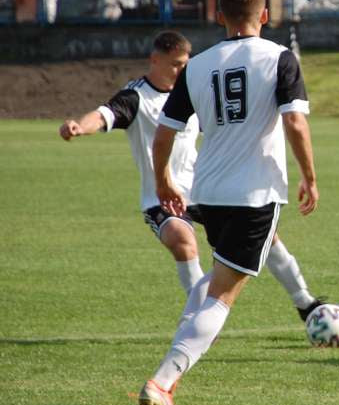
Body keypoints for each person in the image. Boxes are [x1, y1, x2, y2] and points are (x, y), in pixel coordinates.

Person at [137, 0, 319, 405]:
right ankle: (163, 381)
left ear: (218, 16)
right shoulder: (279, 58)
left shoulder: (196, 65)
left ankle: (174, 356)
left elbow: (164, 134)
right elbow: (295, 123)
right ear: (266, 15)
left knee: (216, 279)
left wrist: (162, 181)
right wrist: (310, 177)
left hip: (209, 193)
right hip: (254, 195)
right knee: (222, 294)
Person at [58, 32, 325, 325]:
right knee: (183, 240)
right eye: (174, 65)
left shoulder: (193, 88)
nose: (180, 71)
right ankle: (197, 315)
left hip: (204, 189)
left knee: (268, 238)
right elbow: (103, 115)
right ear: (154, 60)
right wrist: (78, 127)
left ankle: (306, 303)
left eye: (184, 64)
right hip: (160, 196)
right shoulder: (136, 97)